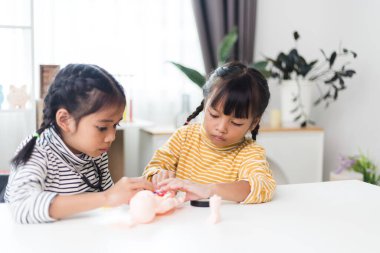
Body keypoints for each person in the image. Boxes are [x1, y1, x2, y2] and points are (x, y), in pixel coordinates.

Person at [5, 64, 153, 224]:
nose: (111, 137)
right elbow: (21, 206)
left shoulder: (96, 152)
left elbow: (108, 204)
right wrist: (107, 197)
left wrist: (132, 193)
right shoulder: (38, 150)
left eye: (115, 125)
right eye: (102, 127)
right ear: (64, 120)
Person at [143, 62, 276, 204]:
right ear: (205, 104)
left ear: (253, 123)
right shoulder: (184, 137)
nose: (221, 128)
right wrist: (158, 175)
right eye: (214, 115)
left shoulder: (250, 152)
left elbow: (262, 187)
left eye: (236, 123)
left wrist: (208, 190)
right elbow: (152, 170)